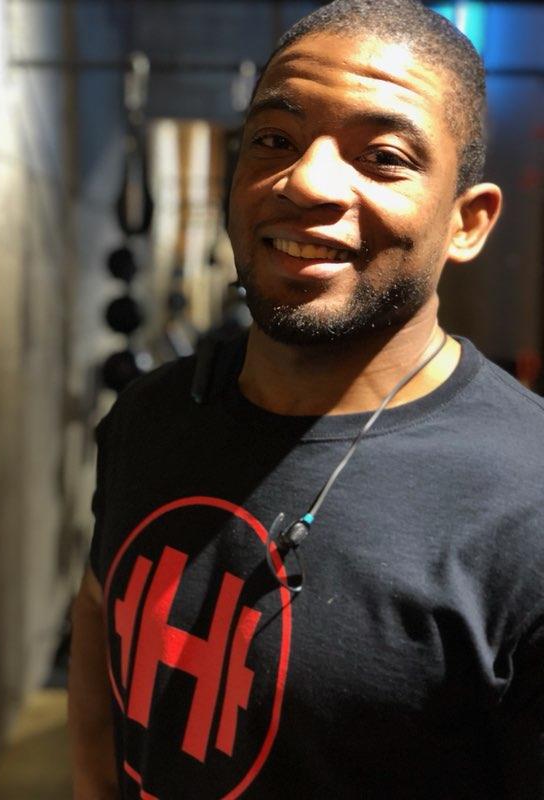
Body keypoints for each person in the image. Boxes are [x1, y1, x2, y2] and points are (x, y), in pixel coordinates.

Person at [68, 1, 544, 797]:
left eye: (383, 157)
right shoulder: (153, 414)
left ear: (468, 222)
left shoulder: (525, 506)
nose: (306, 181)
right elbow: (98, 614)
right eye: (274, 140)